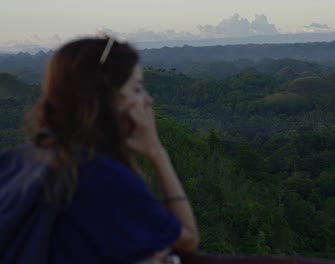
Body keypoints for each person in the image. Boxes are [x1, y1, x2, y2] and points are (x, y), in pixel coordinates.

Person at [0, 37, 199, 263]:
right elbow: (187, 238)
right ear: (107, 100)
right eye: (137, 89)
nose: (148, 101)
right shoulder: (103, 177)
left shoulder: (19, 159)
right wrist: (157, 153)